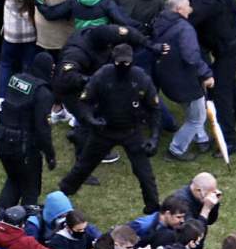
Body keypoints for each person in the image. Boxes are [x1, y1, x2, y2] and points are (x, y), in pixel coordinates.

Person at [59, 44, 162, 213]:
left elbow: (154, 109)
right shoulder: (102, 76)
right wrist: (91, 120)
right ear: (113, 61)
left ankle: (153, 209)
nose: (123, 67)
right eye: (119, 63)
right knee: (83, 167)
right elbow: (85, 102)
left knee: (145, 174)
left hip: (131, 131)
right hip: (104, 130)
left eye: (126, 63)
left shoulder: (141, 78)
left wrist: (154, 138)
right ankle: (60, 197)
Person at [181, 0, 236, 154]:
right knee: (226, 77)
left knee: (220, 89)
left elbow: (188, 19)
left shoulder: (207, 2)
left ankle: (229, 140)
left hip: (229, 47)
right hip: (227, 42)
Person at [153, 0, 214, 161]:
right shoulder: (184, 29)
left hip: (167, 76)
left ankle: (201, 138)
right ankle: (176, 150)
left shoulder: (160, 20)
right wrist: (206, 74)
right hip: (184, 81)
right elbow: (191, 56)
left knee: (193, 109)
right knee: (197, 117)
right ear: (180, 8)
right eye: (188, 4)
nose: (191, 8)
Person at [0, 53, 56, 210]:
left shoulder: (15, 79)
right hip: (24, 147)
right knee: (31, 186)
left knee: (14, 179)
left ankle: (2, 215)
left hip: (3, 139)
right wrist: (50, 155)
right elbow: (43, 128)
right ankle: (27, 222)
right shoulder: (43, 93)